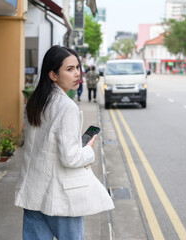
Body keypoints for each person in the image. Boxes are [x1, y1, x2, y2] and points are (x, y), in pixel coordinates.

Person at [15, 45, 114, 240]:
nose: (77, 74)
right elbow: (70, 157)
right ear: (53, 75)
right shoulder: (67, 107)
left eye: (77, 67)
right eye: (69, 69)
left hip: (33, 192)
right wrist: (88, 149)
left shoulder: (36, 101)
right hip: (60, 196)